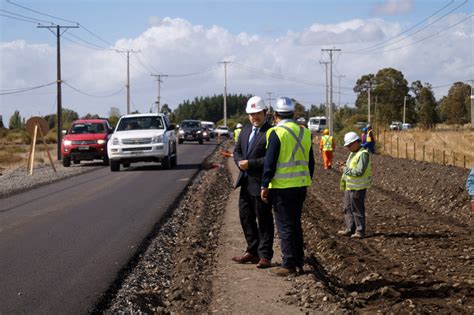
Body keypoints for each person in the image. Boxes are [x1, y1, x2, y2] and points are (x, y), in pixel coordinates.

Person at [261, 97, 315, 277]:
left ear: (275, 115)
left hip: (282, 187)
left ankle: (289, 264)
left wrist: (264, 184)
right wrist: (305, 180)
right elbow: (311, 163)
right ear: (293, 114)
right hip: (300, 186)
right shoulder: (305, 132)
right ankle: (298, 261)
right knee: (295, 224)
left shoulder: (276, 133)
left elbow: (270, 162)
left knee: (284, 226)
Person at [232, 96, 274, 269]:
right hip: (246, 181)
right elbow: (237, 151)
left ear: (265, 113)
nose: (254, 117)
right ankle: (252, 251)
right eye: (251, 114)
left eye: (257, 113)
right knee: (246, 217)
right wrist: (240, 163)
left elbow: (270, 159)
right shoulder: (245, 130)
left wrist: (251, 164)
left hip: (262, 183)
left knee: (263, 220)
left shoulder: (270, 132)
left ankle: (265, 255)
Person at [338, 132, 372, 239]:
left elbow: (359, 171)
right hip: (350, 186)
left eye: (349, 145)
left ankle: (360, 231)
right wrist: (344, 165)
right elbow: (352, 166)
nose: (348, 147)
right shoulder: (353, 153)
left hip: (358, 187)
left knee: (357, 209)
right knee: (347, 208)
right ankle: (350, 229)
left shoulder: (363, 154)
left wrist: (345, 169)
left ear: (356, 142)